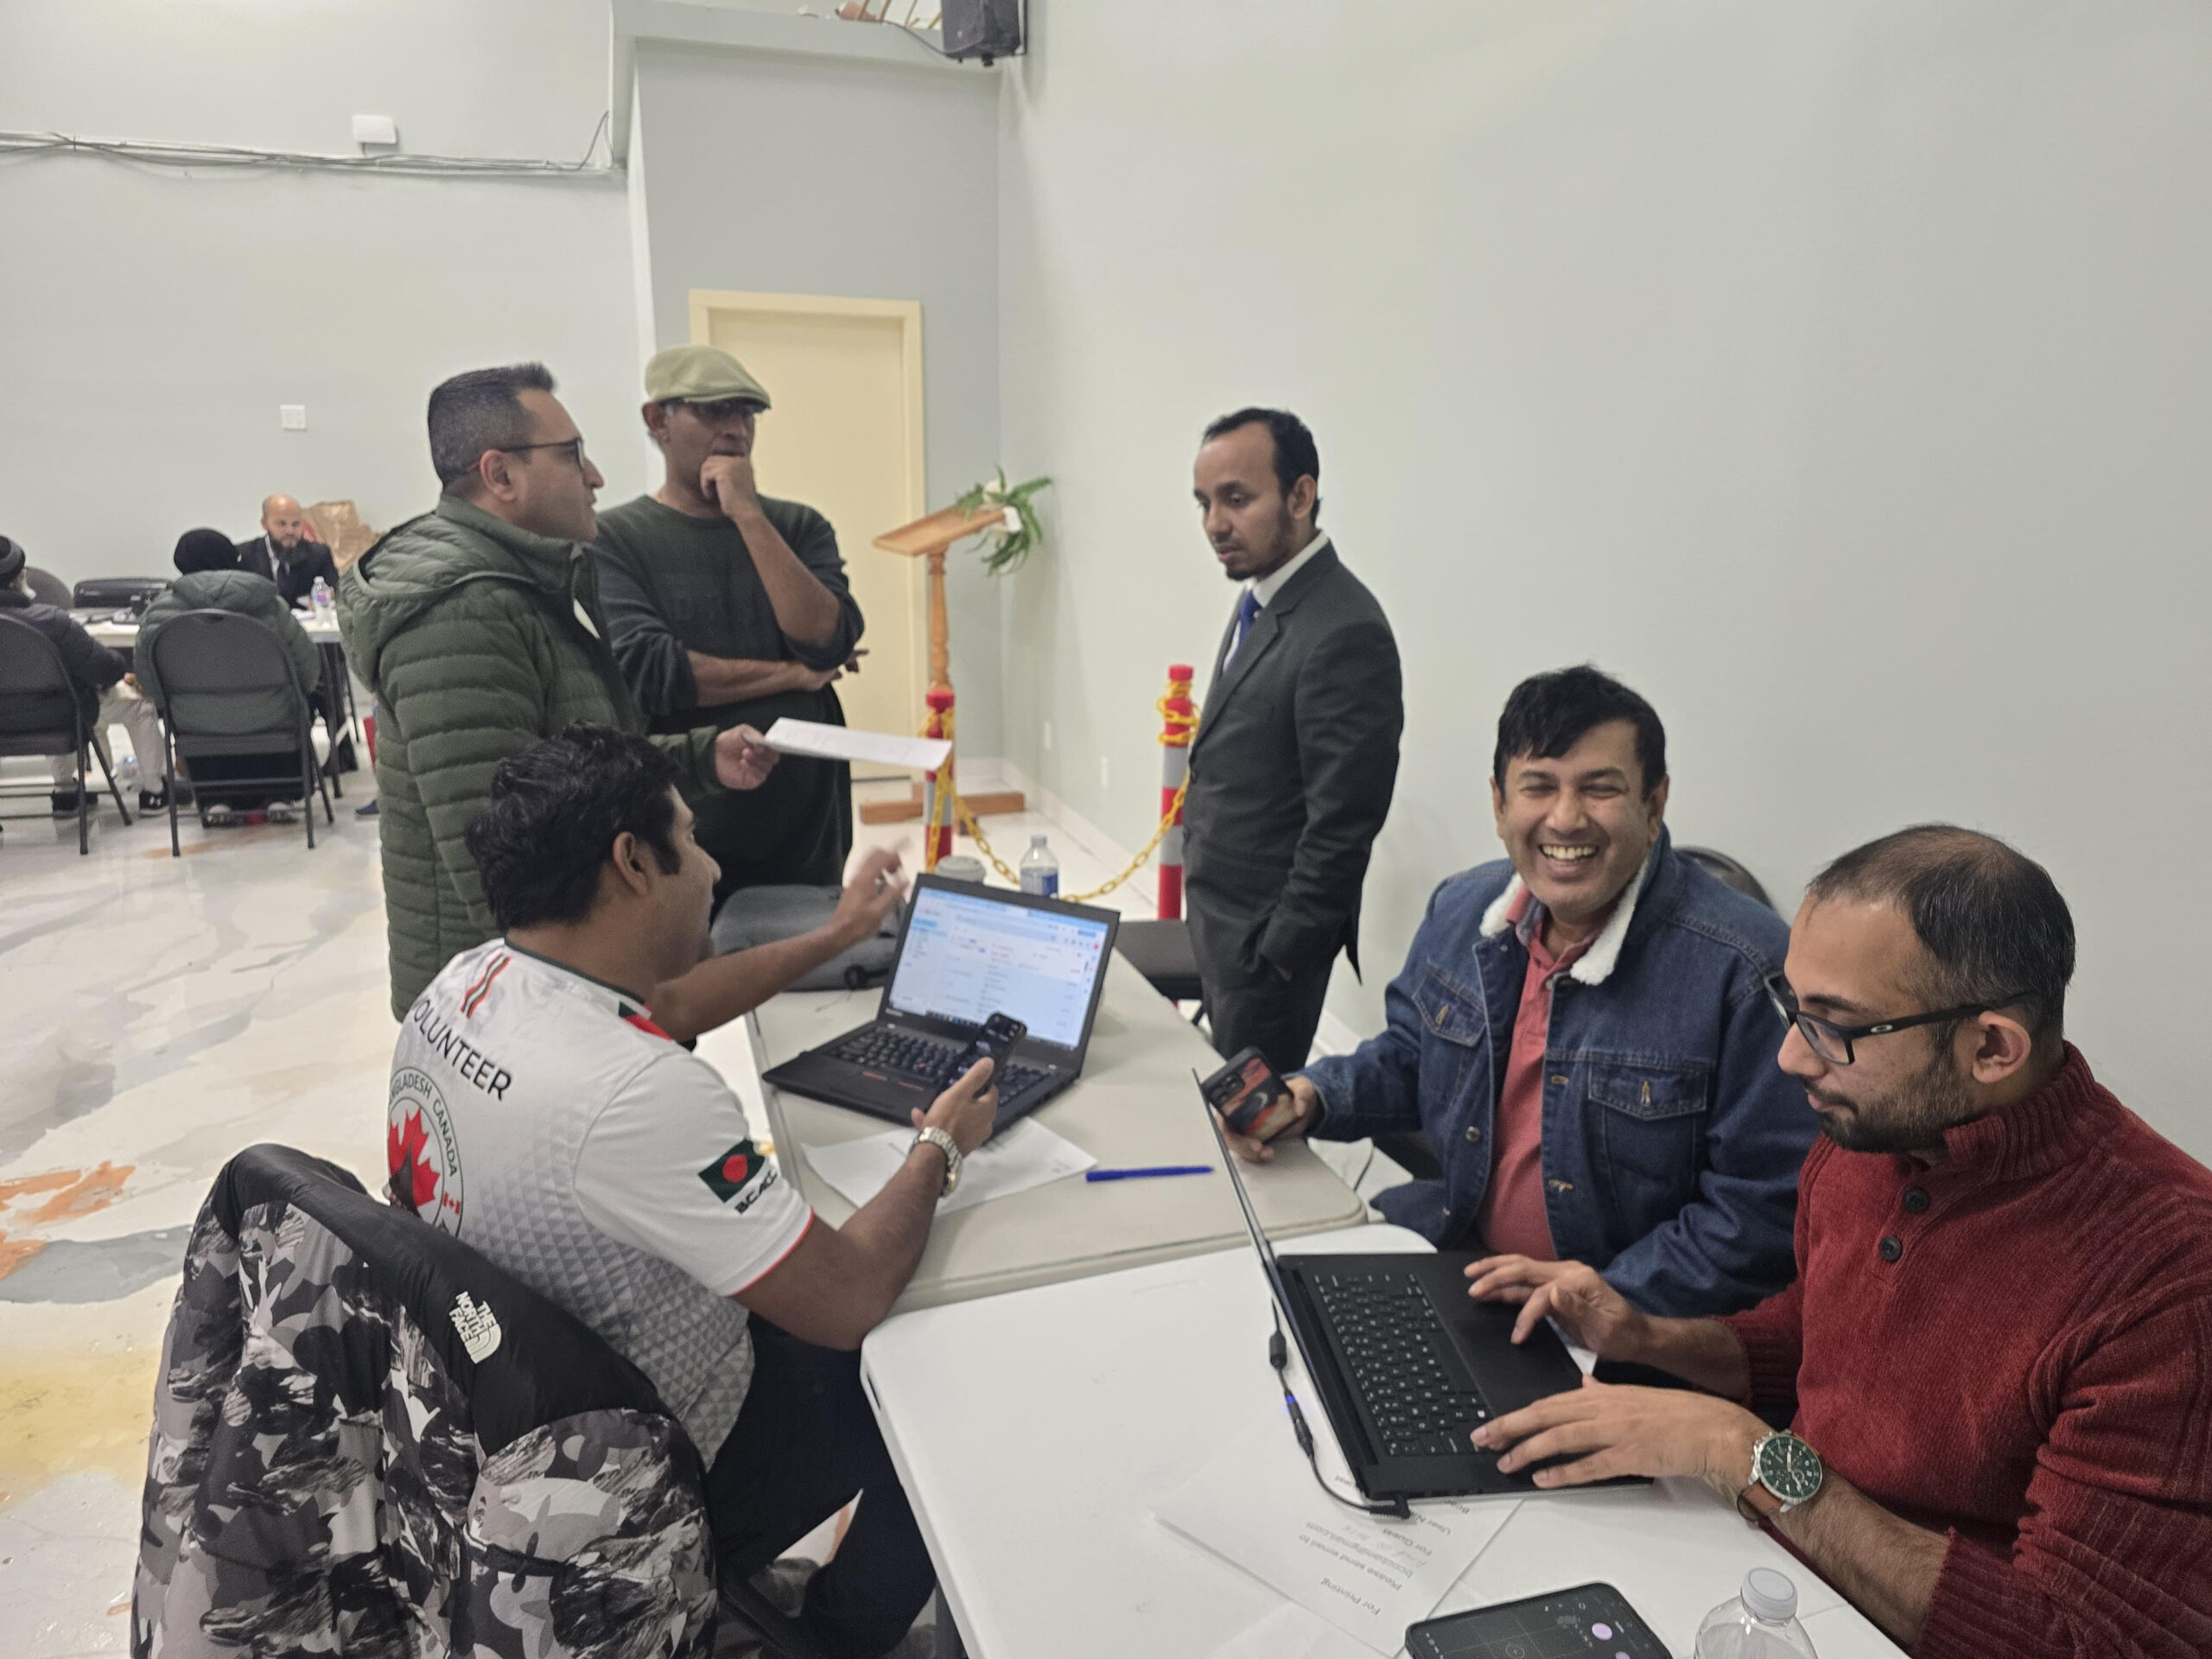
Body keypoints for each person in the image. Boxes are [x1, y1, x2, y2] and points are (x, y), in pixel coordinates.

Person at [1466, 827, 2212, 1657]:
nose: (1791, 1056)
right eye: (1795, 1007)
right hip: (1777, 1579)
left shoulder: (2173, 1279)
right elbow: (1819, 1334)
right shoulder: (1875, 1132)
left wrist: (1743, 1451)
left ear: (1991, 1048)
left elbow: (2078, 1637)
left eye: (1836, 1026)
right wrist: (1647, 1337)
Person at [390, 724, 992, 1659]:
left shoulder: (472, 983)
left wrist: (838, 934)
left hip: (502, 1427)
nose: (711, 868)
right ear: (633, 862)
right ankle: (838, 1639)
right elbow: (847, 1299)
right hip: (643, 1478)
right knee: (942, 1373)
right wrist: (939, 1148)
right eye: (692, 837)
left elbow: (667, 1006)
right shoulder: (634, 1094)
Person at [1229, 667, 1814, 1316]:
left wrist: (1596, 1297)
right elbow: (1412, 1058)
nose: (1565, 819)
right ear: (1500, 804)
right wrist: (1312, 1097)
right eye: (1538, 787)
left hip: (1620, 1319)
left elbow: (1759, 1213)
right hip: (1456, 1254)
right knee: (1261, 1312)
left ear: (1654, 805)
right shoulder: (1462, 907)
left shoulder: (1746, 968)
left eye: (1600, 789)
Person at [337, 361, 791, 1022]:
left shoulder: (525, 581)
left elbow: (563, 776)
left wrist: (699, 757)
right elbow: (499, 861)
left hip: (561, 987)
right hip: (507, 1010)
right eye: (572, 454)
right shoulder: (462, 614)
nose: (596, 476)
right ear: (500, 475)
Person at [594, 346, 866, 907]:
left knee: (810, 952)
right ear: (658, 420)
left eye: (746, 414)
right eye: (713, 411)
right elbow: (654, 671)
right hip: (684, 819)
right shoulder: (615, 538)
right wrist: (795, 674)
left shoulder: (798, 526)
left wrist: (748, 514)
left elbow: (826, 641)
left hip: (806, 821)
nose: (736, 429)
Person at [1181, 407, 1402, 1072]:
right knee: (1217, 1099)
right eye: (1204, 503)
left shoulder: (1344, 630)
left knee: (1251, 1120)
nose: (1215, 524)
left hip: (1265, 952)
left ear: (1300, 495)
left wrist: (1279, 958)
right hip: (1220, 923)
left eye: (1237, 499)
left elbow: (1343, 826)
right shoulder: (1264, 595)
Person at [136, 529, 323, 824]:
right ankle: (280, 795)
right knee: (290, 706)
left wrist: (169, 706)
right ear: (233, 559)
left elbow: (148, 678)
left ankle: (215, 800)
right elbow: (307, 664)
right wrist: (303, 692)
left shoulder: (157, 615)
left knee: (206, 714)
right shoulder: (269, 604)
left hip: (195, 724)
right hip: (271, 717)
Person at [0, 533, 167, 814]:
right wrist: (122, 669)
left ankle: (66, 793)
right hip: (55, 716)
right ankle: (155, 791)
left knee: (45, 698)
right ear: (19, 577)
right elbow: (104, 669)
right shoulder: (52, 621)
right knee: (137, 704)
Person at [235, 494, 340, 608]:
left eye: (296, 524)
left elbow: (335, 592)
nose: (290, 531)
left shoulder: (319, 555)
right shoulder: (244, 555)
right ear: (264, 523)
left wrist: (327, 599)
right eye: (282, 524)